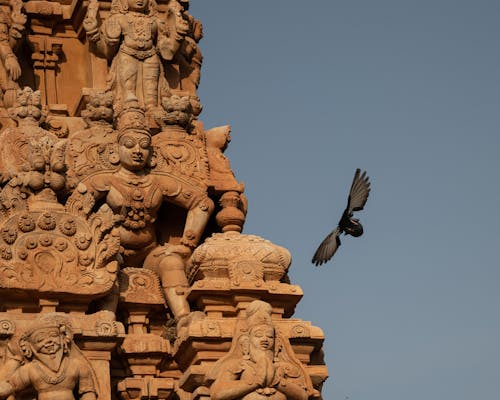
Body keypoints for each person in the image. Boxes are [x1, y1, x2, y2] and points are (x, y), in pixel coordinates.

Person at [69, 110, 213, 320]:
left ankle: (183, 319)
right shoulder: (104, 181)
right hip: (112, 249)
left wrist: (186, 244)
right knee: (110, 261)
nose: (137, 151)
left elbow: (202, 203)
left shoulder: (157, 182)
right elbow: (74, 210)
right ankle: (105, 318)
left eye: (144, 146)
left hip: (149, 252)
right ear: (116, 151)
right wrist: (90, 245)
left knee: (171, 263)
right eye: (129, 145)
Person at [210, 301, 312, 400]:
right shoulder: (240, 366)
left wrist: (277, 381)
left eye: (270, 336)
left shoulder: (284, 367)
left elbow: (303, 395)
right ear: (246, 343)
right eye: (258, 335)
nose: (265, 340)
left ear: (277, 344)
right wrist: (255, 382)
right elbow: (217, 393)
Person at [0, 317, 97, 400]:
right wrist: (16, 359)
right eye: (40, 339)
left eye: (53, 335)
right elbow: (11, 386)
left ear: (63, 338)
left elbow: (87, 392)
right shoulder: (31, 369)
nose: (49, 341)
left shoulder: (77, 365)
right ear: (30, 346)